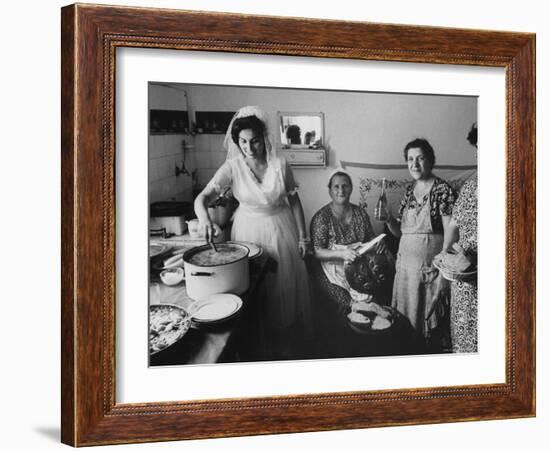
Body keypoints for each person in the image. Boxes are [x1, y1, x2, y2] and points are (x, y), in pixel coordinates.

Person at [194, 106, 312, 359]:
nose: (249, 148)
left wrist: (304, 237)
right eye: (243, 142)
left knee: (281, 288)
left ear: (264, 138)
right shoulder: (232, 168)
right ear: (237, 142)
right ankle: (257, 348)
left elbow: (294, 201)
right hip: (247, 233)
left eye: (255, 141)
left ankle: (282, 347)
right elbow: (202, 198)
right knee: (253, 292)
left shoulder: (280, 165)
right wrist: (204, 219)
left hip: (280, 230)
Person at [384, 138, 457, 348]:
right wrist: (389, 219)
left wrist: (444, 276)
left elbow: (452, 235)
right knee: (405, 332)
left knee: (428, 336)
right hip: (406, 275)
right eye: (410, 159)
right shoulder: (409, 191)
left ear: (431, 160)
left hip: (430, 274)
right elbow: (401, 233)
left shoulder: (443, 190)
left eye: (420, 158)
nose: (414, 164)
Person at [310, 170, 379, 316]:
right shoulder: (322, 217)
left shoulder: (360, 213)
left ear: (351, 188)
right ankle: (357, 309)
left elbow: (370, 240)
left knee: (373, 290)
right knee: (343, 298)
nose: (341, 190)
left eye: (345, 186)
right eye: (336, 186)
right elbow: (317, 251)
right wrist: (342, 254)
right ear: (329, 190)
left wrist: (377, 245)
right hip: (331, 268)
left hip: (357, 266)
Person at [442, 123, 479, 353]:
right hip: (464, 283)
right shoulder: (469, 187)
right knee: (464, 342)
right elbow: (454, 225)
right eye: (479, 146)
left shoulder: (519, 185)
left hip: (496, 283)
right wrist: (445, 254)